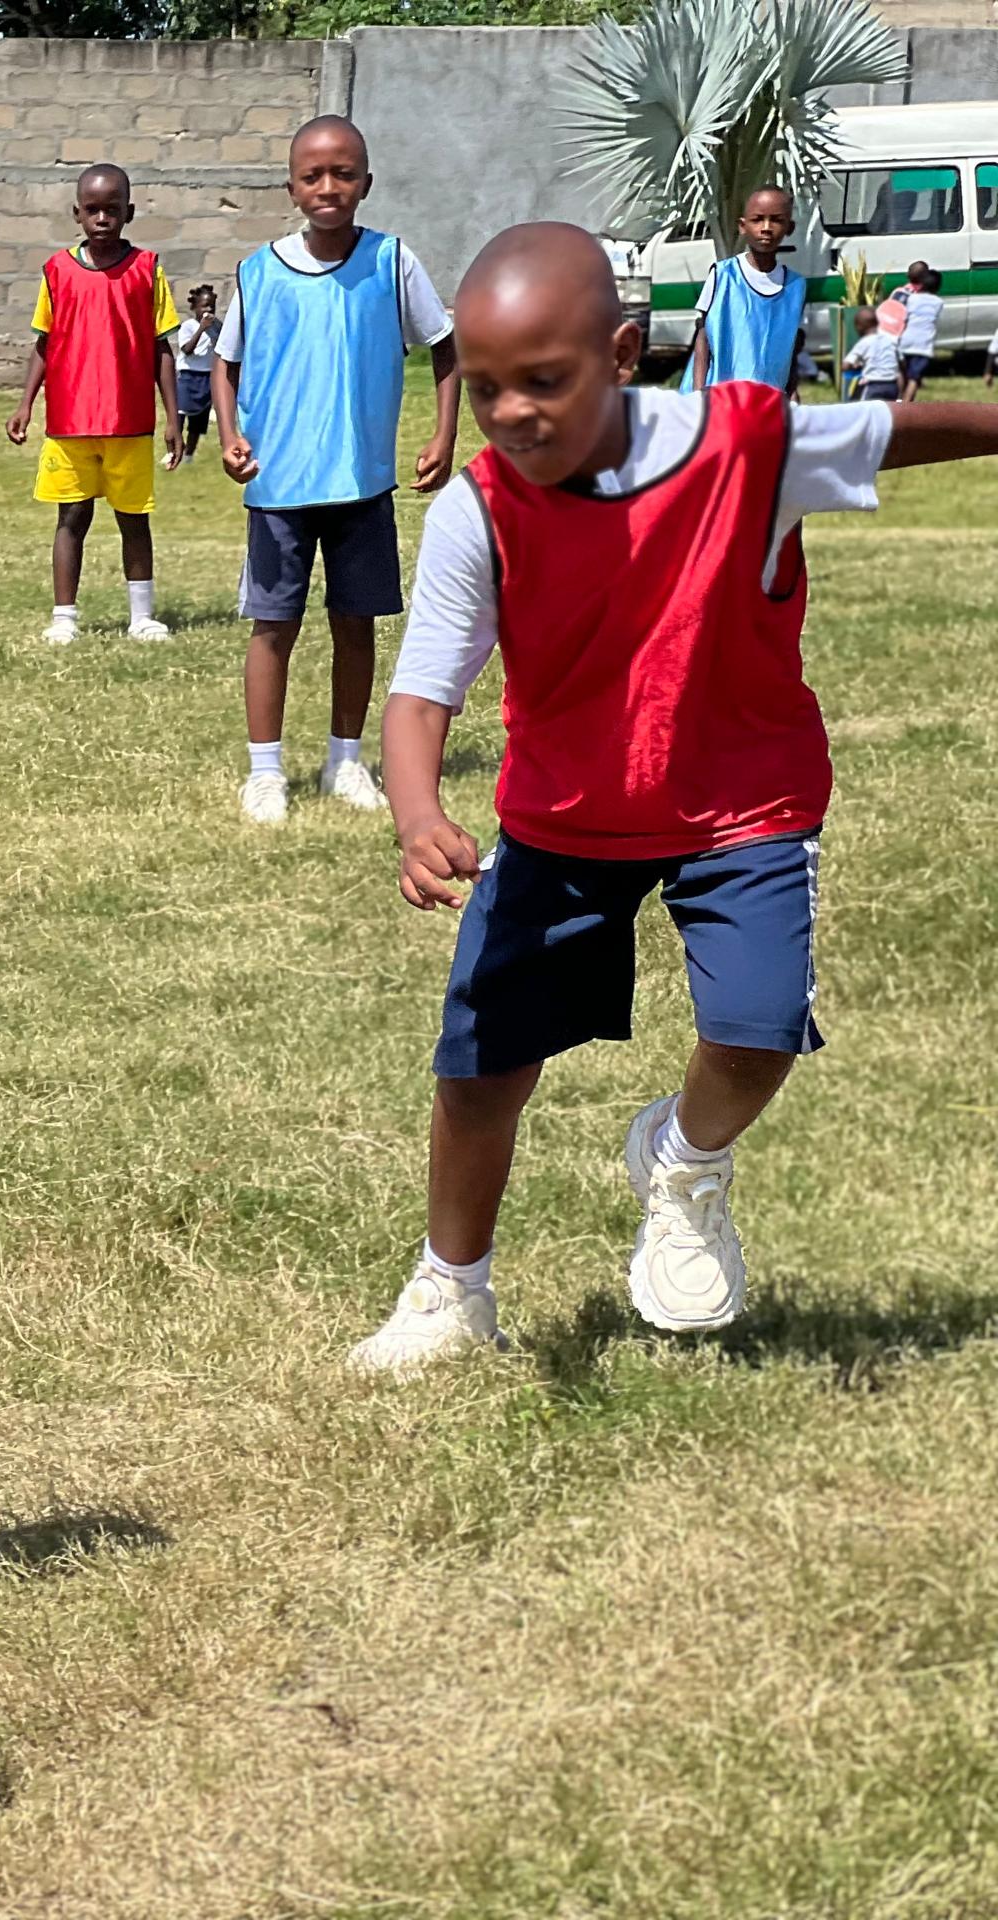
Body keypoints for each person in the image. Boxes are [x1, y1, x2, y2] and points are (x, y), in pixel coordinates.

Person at [348, 221, 998, 1374]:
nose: (510, 414)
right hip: (562, 818)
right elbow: (421, 693)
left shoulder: (748, 448)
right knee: (481, 1069)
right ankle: (451, 1290)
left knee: (757, 1030)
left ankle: (684, 1161)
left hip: (743, 805)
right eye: (485, 389)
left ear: (621, 353)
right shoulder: (477, 510)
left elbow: (909, 431)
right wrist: (415, 814)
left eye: (543, 381)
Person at [213, 115, 460, 825]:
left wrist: (444, 434)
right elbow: (226, 365)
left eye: (344, 174)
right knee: (273, 626)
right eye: (313, 176)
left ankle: (345, 759)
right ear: (292, 189)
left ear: (366, 183)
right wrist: (230, 436)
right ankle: (265, 771)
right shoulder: (259, 272)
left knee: (357, 624)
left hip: (361, 483)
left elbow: (445, 345)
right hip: (279, 487)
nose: (329, 187)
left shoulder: (391, 262)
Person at [5, 163, 182, 645]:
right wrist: (25, 404)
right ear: (77, 214)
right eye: (92, 210)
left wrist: (173, 416)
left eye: (112, 209)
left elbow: (161, 347)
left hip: (130, 422)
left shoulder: (147, 269)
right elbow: (44, 342)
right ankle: (64, 616)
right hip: (71, 422)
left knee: (134, 519)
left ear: (129, 212)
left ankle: (142, 616)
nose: (102, 218)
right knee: (71, 518)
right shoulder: (57, 271)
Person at [683, 186, 806, 395]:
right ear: (742, 226)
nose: (766, 228)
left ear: (790, 227)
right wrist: (698, 394)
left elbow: (791, 349)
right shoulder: (723, 275)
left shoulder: (795, 286)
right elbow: (703, 337)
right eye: (757, 220)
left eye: (776, 220)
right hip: (717, 396)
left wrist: (792, 395)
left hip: (766, 399)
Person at [174, 283, 219, 463]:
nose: (209, 310)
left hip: (206, 376)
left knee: (198, 421)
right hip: (188, 375)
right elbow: (187, 350)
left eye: (212, 306)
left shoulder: (216, 326)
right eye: (205, 306)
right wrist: (202, 328)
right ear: (195, 307)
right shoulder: (188, 326)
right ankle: (174, 450)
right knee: (179, 414)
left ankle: (189, 455)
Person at [896, 261, 943, 401]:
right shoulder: (938, 303)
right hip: (923, 345)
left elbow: (905, 317)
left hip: (905, 341)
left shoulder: (912, 298)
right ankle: (906, 405)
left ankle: (897, 400)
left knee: (901, 373)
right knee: (914, 378)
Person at [844, 305, 902, 402]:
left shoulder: (863, 342)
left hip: (873, 386)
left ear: (859, 327)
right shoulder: (890, 340)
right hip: (892, 386)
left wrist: (856, 366)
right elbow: (902, 363)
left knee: (866, 409)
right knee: (889, 409)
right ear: (877, 323)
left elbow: (845, 366)